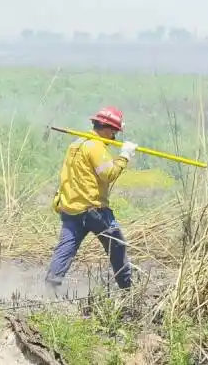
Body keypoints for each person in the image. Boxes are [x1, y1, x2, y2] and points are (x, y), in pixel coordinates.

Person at [45, 106, 137, 293]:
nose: (114, 138)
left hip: (70, 208)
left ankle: (50, 287)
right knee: (117, 246)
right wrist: (124, 156)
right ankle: (128, 289)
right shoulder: (95, 146)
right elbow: (108, 174)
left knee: (66, 248)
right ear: (108, 129)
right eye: (114, 133)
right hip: (93, 210)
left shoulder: (76, 144)